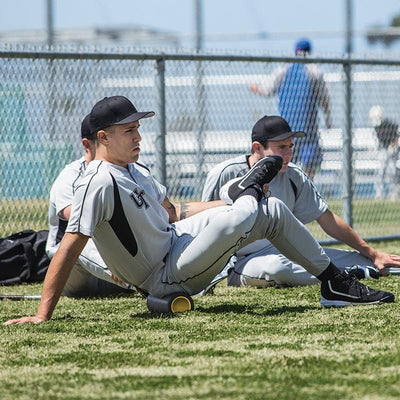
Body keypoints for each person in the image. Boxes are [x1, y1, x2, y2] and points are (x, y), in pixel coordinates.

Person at [4, 96, 395, 326]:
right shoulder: (97, 180)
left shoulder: (135, 169)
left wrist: (222, 204)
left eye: (138, 128)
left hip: (178, 243)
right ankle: (246, 194)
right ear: (102, 138)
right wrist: (43, 313)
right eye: (129, 131)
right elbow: (72, 242)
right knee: (247, 213)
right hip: (162, 275)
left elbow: (175, 212)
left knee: (270, 209)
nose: (138, 136)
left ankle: (334, 284)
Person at [202, 115, 400, 288]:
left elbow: (328, 221)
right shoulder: (225, 172)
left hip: (286, 251)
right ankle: (344, 275)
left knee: (365, 260)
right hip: (240, 260)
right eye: (281, 147)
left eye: (290, 146)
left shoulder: (294, 175)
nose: (288, 154)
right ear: (257, 147)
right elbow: (201, 224)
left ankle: (361, 269)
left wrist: (372, 252)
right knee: (278, 268)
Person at [46, 114, 133, 297]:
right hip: (76, 271)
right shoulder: (70, 177)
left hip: (115, 267)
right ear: (87, 145)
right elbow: (83, 222)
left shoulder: (130, 170)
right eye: (103, 141)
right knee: (82, 238)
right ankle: (140, 283)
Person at [250, 38, 331, 180]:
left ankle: (294, 189)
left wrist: (256, 88)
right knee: (308, 165)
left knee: (287, 160)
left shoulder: (283, 70)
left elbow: (266, 90)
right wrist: (328, 119)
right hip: (307, 128)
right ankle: (302, 188)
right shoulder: (314, 71)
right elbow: (324, 99)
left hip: (286, 129)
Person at [368, 105, 400, 199]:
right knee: (380, 171)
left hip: (392, 151)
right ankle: (379, 194)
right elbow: (377, 141)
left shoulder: (390, 125)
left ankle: (394, 193)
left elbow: (396, 137)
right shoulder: (376, 128)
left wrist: (392, 146)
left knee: (392, 172)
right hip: (383, 150)